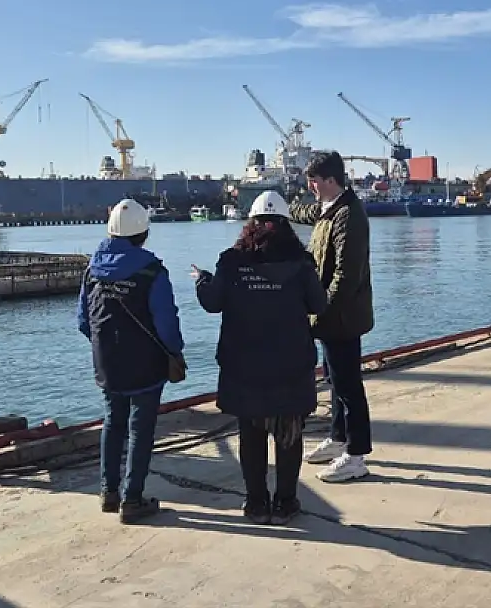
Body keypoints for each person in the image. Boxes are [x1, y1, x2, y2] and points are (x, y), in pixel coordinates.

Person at [193, 191, 327, 524]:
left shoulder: (231, 261)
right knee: (289, 433)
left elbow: (212, 302)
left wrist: (203, 281)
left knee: (251, 435)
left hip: (244, 366)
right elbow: (319, 304)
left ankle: (255, 503)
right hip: (290, 365)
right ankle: (286, 502)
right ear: (286, 225)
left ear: (250, 223)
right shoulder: (302, 263)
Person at [77, 198, 187, 524]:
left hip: (107, 361)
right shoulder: (152, 272)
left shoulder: (92, 271)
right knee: (140, 428)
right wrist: (175, 351)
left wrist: (105, 345)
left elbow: (83, 320)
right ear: (143, 233)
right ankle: (132, 499)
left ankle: (108, 492)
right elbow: (166, 322)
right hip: (145, 362)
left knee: (113, 422)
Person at [289, 151, 375, 483]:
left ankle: (356, 455)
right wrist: (281, 209)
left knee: (348, 385)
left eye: (313, 181)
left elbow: (345, 275)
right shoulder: (329, 208)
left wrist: (322, 308)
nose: (310, 187)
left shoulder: (349, 216)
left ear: (329, 180)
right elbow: (305, 212)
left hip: (342, 317)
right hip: (329, 317)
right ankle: (338, 437)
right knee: (335, 381)